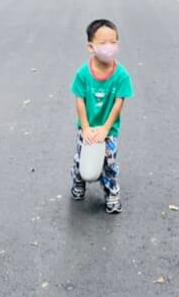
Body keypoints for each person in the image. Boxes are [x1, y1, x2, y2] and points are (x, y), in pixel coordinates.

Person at [69, 18, 134, 213]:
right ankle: (78, 180)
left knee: (109, 163)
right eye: (103, 43)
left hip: (109, 128)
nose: (109, 47)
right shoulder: (83, 73)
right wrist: (86, 127)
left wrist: (106, 128)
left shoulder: (121, 75)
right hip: (87, 127)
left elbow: (119, 102)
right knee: (82, 158)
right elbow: (79, 100)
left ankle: (112, 192)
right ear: (91, 47)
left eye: (113, 42)